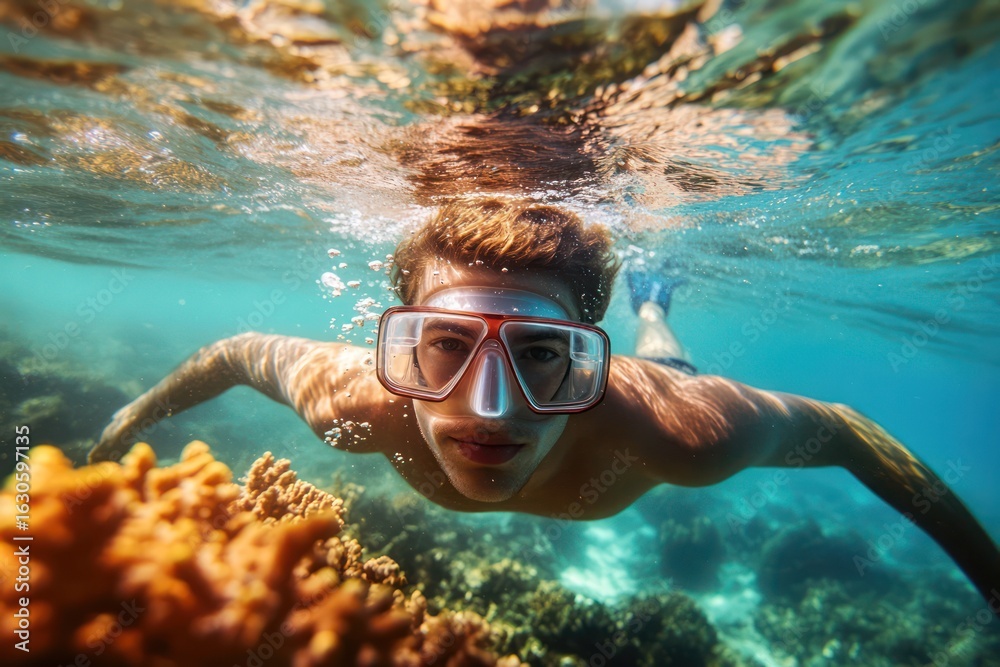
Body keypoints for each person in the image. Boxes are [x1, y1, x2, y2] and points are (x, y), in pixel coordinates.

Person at [89, 199, 1000, 610]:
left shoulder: (683, 433)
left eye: (540, 353)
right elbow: (237, 353)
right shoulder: (354, 399)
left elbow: (849, 431)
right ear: (397, 346)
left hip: (660, 388)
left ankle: (650, 307)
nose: (490, 410)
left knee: (669, 361)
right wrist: (130, 418)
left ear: (582, 353)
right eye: (445, 344)